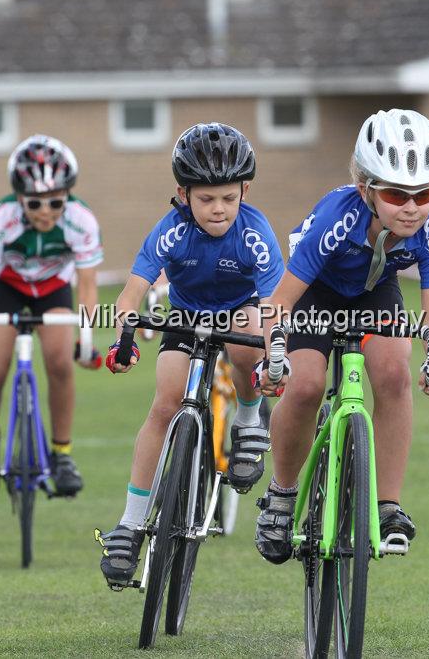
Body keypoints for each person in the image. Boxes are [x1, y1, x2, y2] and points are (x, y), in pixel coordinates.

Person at [254, 109, 429, 563]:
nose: (411, 207)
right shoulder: (337, 219)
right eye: (395, 193)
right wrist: (274, 355)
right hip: (314, 292)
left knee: (394, 374)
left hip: (373, 290)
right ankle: (282, 495)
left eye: (424, 194)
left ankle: (387, 507)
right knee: (303, 385)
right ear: (366, 189)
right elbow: (279, 304)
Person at [97, 123, 283, 587]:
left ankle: (247, 420)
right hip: (187, 314)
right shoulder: (171, 230)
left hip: (242, 312)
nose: (218, 209)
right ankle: (131, 522)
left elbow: (273, 306)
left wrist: (272, 356)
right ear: (182, 194)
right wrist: (124, 336)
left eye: (228, 197)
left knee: (246, 346)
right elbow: (131, 294)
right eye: (205, 199)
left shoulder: (255, 234)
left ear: (244, 190)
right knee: (165, 402)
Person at [0, 134, 103, 498]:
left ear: (69, 196)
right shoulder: (0, 220)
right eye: (34, 202)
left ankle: (61, 453)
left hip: (53, 289)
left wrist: (87, 339)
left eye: (56, 202)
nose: (45, 211)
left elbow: (88, 286)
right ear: (19, 198)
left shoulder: (82, 221)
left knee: (61, 362)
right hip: (7, 287)